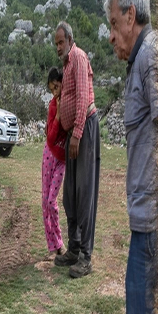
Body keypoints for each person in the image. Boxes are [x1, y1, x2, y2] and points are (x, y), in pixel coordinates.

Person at [105, 0, 158, 314]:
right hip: (145, 225)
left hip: (153, 232)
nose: (110, 36)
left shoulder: (151, 56)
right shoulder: (141, 59)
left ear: (129, 14)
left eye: (111, 24)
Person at [52, 21, 100, 279]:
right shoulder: (66, 64)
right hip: (74, 135)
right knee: (70, 194)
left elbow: (82, 97)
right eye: (56, 43)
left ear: (70, 39)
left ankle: (86, 257)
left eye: (61, 42)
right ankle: (73, 248)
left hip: (84, 132)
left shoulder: (78, 58)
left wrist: (77, 134)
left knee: (84, 195)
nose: (58, 47)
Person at [41, 67, 66, 257]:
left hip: (62, 160)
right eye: (51, 90)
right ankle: (54, 245)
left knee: (52, 201)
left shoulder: (69, 103)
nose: (54, 92)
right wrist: (57, 117)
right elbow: (50, 136)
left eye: (56, 87)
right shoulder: (52, 106)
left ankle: (59, 240)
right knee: (45, 201)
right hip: (50, 154)